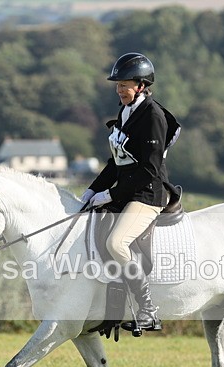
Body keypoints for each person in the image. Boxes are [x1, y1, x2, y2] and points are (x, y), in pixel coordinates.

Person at [81, 52, 180, 332]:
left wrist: (111, 195)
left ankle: (148, 309)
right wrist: (92, 190)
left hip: (149, 193)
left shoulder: (153, 116)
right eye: (117, 84)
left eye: (125, 84)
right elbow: (118, 162)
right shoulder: (126, 112)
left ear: (141, 85)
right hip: (129, 191)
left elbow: (148, 169)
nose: (120, 89)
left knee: (116, 244)